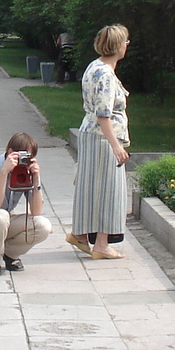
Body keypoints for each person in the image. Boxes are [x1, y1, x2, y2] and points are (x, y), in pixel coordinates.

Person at [68, 24, 131, 260]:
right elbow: (104, 113)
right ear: (117, 46)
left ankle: (80, 235)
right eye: (125, 41)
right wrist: (116, 146)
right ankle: (102, 245)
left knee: (89, 187)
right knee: (108, 191)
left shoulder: (94, 66)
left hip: (91, 134)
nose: (127, 45)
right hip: (103, 137)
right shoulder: (105, 73)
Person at [0, 132, 53, 275]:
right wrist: (4, 172)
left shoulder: (25, 171)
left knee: (43, 225)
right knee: (0, 215)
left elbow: (36, 211)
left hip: (7, 219)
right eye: (21, 157)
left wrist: (36, 179)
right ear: (10, 153)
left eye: (28, 158)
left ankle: (9, 254)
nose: (23, 161)